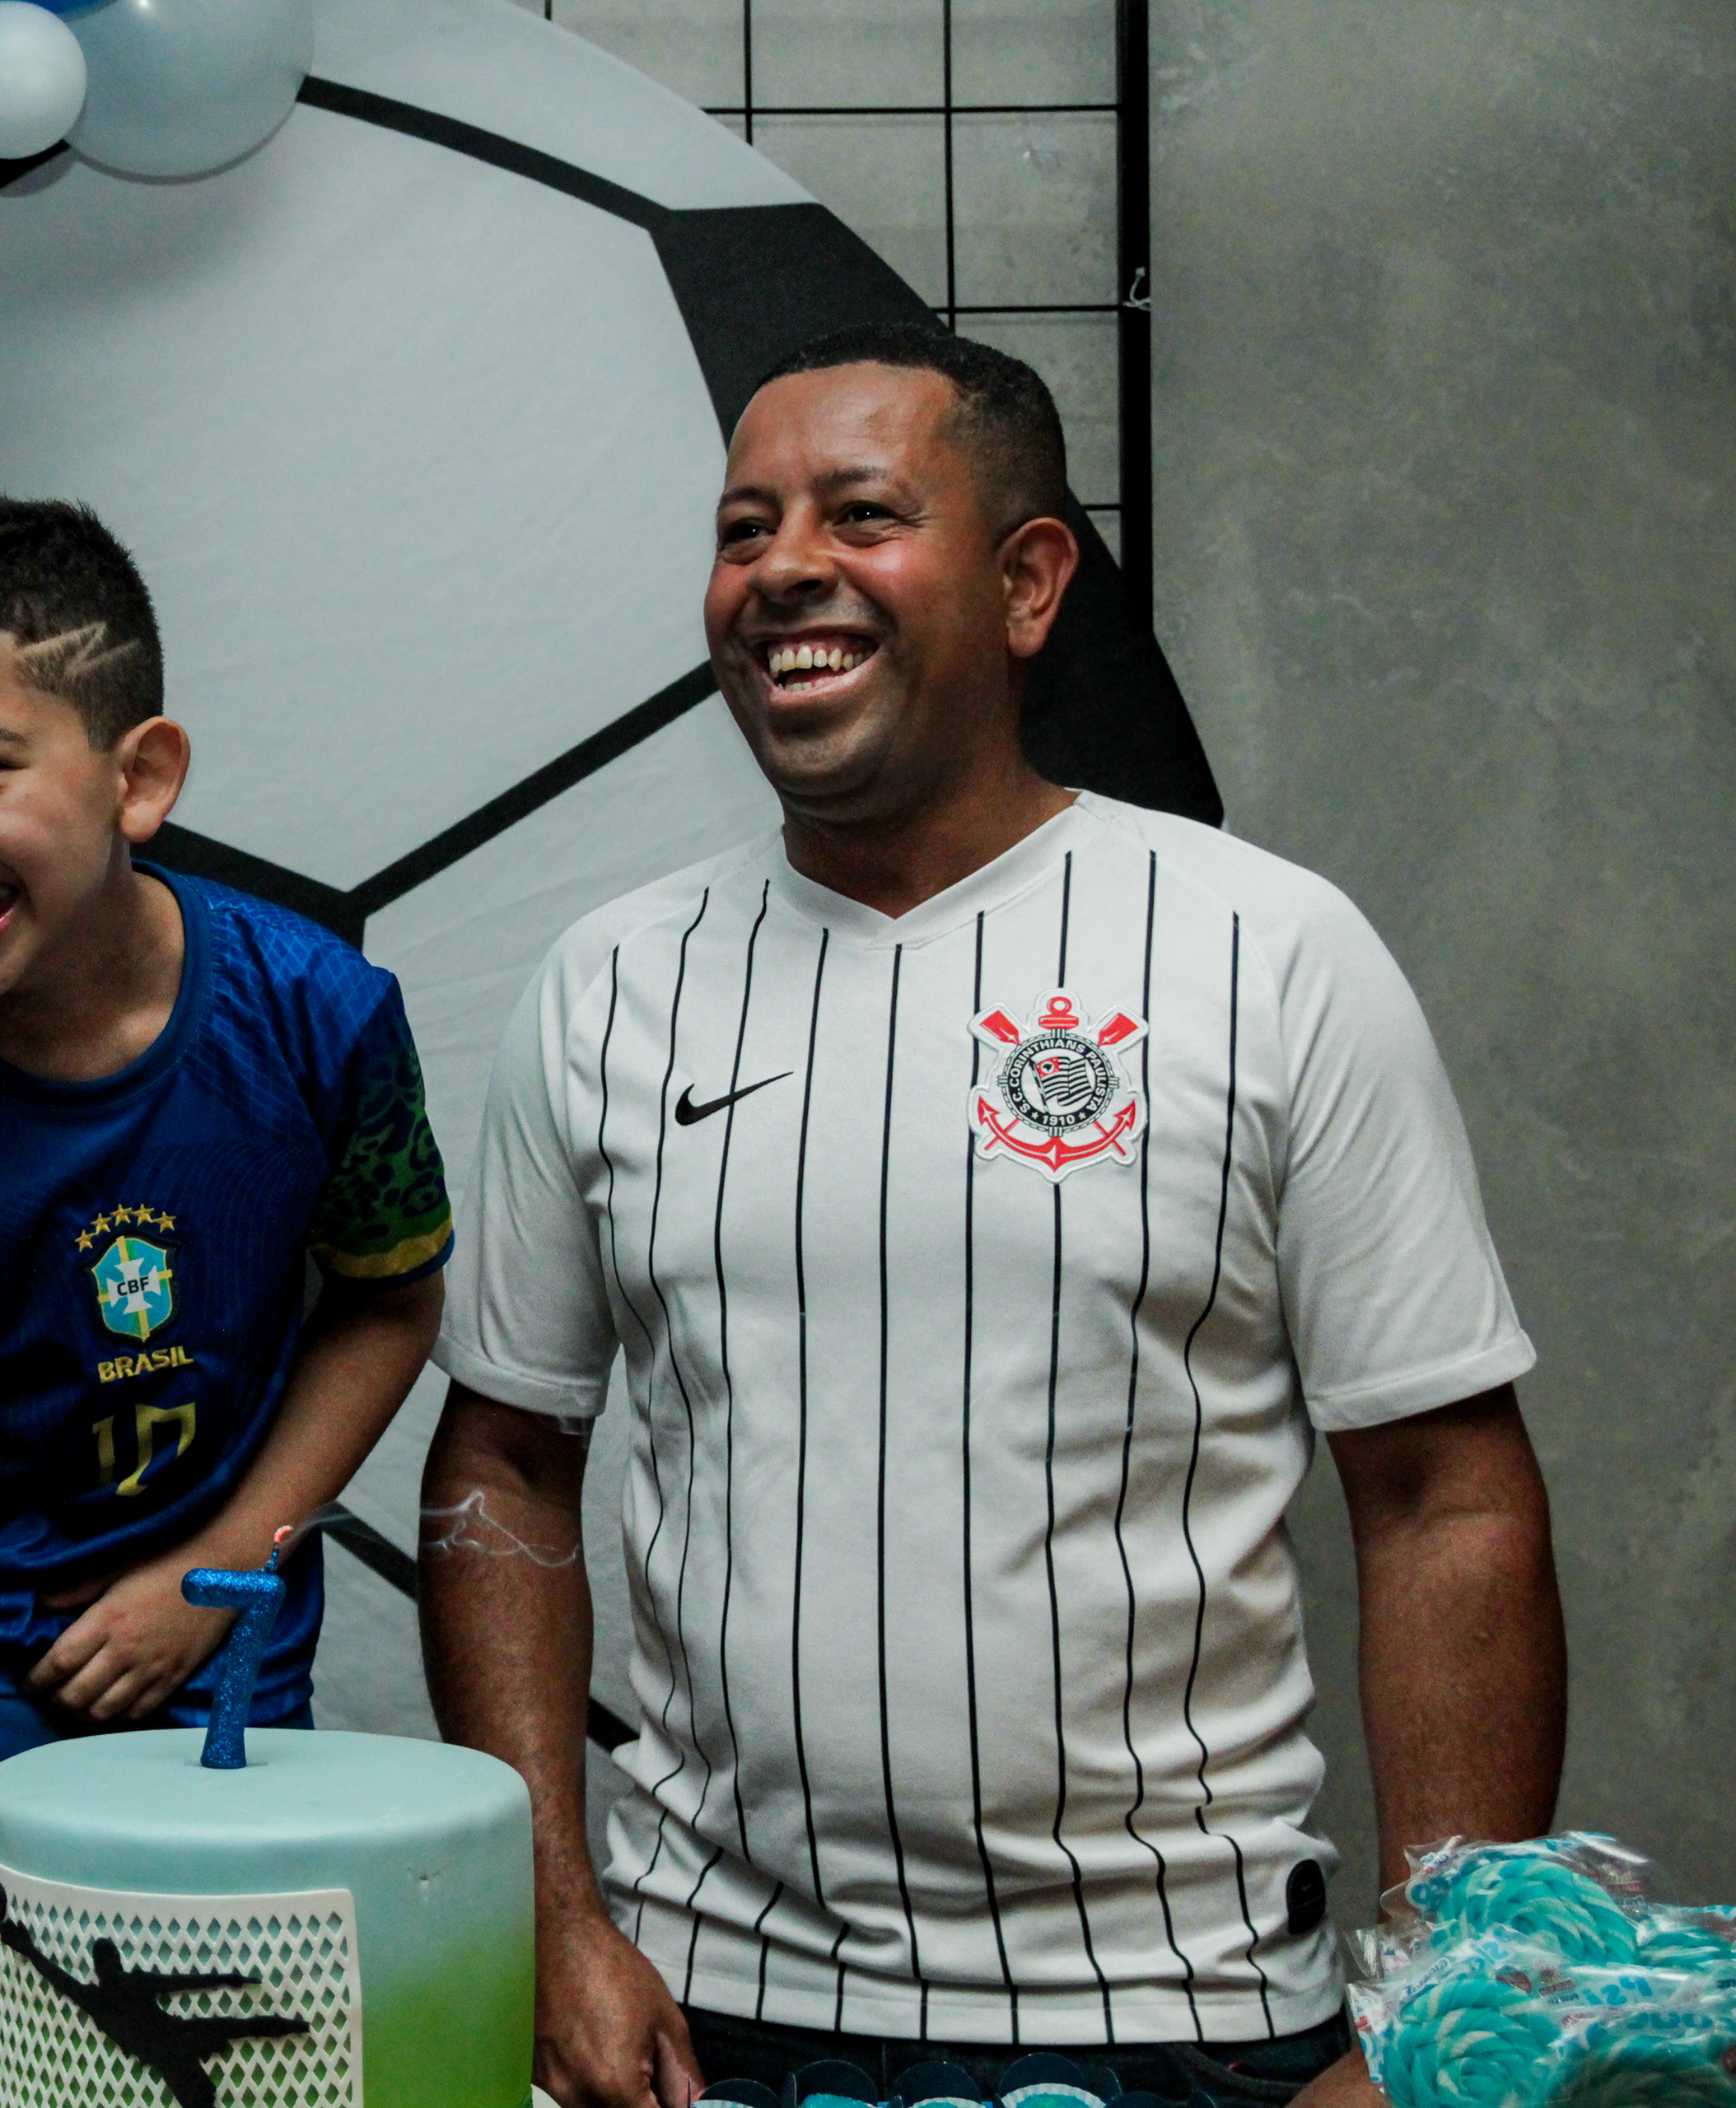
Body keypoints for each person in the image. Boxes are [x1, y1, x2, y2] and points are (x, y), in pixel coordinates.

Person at [418, 324, 1563, 2106]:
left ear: (1031, 582)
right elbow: (501, 1457)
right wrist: (557, 1912)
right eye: (743, 527)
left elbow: (1446, 1495)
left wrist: (1436, 2020)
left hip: (1187, 2012)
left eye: (860, 513)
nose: (782, 566)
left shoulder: (1269, 951)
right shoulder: (607, 985)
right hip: (705, 2018)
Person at [0, 496, 455, 2104]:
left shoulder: (324, 1016)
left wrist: (215, 1564)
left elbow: (391, 1301)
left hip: (223, 1652)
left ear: (139, 776)